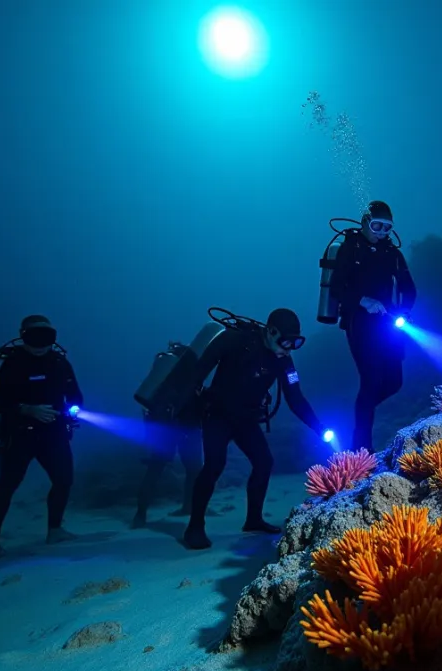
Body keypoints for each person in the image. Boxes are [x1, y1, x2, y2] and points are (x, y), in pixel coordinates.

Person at [184, 308, 328, 550]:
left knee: (264, 462)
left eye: (296, 342)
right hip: (217, 416)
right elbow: (197, 373)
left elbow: (296, 399)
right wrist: (189, 410)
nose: (289, 348)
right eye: (285, 341)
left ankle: (254, 520)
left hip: (246, 420)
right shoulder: (234, 339)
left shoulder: (285, 362)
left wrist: (319, 428)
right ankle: (194, 527)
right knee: (214, 465)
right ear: (271, 332)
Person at [0, 315, 84, 560]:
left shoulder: (60, 363)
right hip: (18, 434)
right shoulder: (12, 363)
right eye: (34, 336)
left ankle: (55, 530)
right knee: (8, 484)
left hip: (54, 433)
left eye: (46, 336)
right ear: (23, 335)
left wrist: (71, 412)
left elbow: (76, 395)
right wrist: (26, 409)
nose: (40, 342)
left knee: (64, 480)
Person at [328, 200, 417, 452]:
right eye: (376, 225)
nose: (381, 232)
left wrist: (405, 310)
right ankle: (361, 453)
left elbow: (409, 288)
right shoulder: (351, 249)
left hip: (387, 324)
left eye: (386, 227)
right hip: (359, 323)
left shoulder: (392, 254)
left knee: (394, 382)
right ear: (366, 223)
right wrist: (362, 300)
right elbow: (336, 288)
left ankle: (360, 413)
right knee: (370, 381)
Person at [132, 369, 204, 529]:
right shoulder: (193, 373)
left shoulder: (165, 376)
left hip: (166, 427)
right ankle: (187, 507)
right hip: (188, 428)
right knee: (193, 470)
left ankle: (140, 515)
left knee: (154, 470)